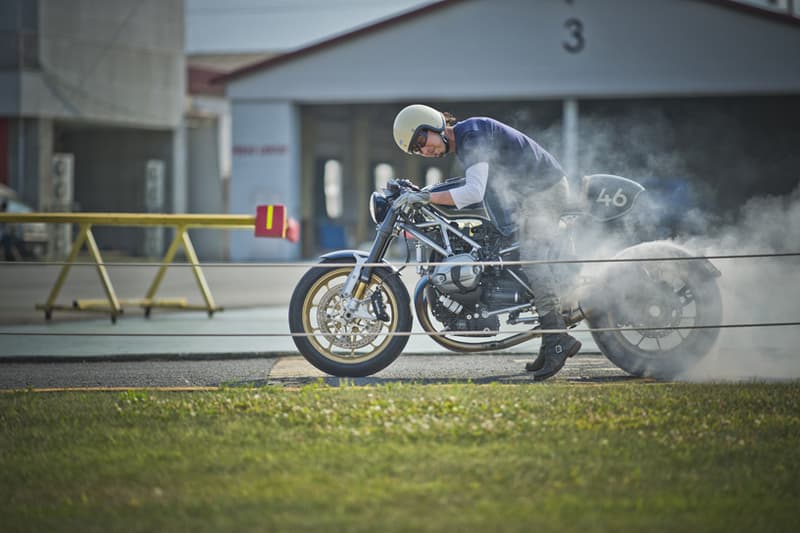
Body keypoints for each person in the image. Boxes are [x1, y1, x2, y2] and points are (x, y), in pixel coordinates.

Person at [392, 104, 581, 380]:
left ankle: (557, 340)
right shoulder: (468, 139)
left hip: (545, 191)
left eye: (422, 141)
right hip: (527, 195)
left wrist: (426, 197)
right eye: (416, 150)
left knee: (531, 257)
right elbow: (471, 183)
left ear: (433, 126)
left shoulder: (473, 134)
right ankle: (548, 343)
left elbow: (473, 191)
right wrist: (426, 192)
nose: (424, 150)